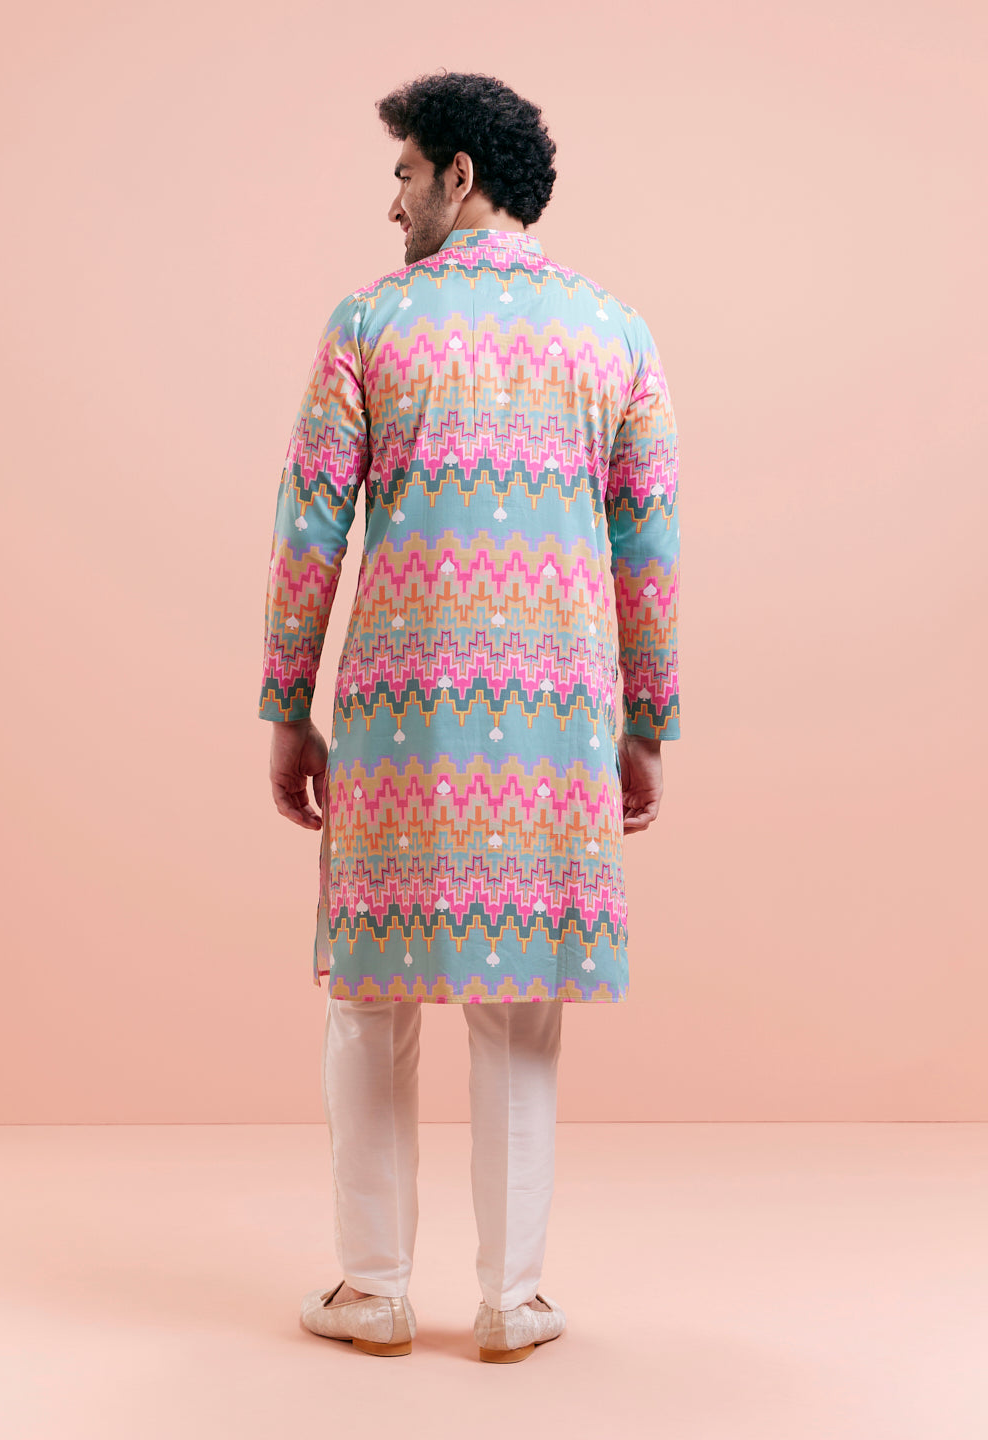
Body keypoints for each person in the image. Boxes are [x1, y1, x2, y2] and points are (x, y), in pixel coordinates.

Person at [258, 71, 679, 1362]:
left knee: (369, 997)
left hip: (402, 713)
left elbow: (310, 528)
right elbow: (648, 547)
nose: (391, 202)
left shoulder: (371, 324)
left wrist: (288, 703)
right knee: (520, 1000)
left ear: (458, 174)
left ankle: (375, 1287)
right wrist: (646, 723)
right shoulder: (615, 333)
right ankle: (514, 1301)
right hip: (556, 714)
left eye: (403, 173)